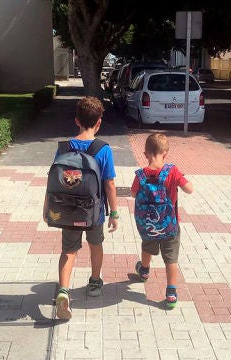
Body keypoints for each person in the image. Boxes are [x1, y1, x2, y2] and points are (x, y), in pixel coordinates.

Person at [54, 97, 119, 320]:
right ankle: (94, 283)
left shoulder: (63, 147)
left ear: (76, 120)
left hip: (68, 210)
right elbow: (109, 183)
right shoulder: (103, 149)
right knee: (95, 244)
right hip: (94, 212)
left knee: (69, 250)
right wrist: (115, 213)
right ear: (99, 122)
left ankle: (63, 290)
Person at [131, 133, 193, 309]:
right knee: (171, 259)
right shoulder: (172, 171)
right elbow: (190, 189)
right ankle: (171, 293)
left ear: (145, 154)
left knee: (147, 246)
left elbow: (133, 193)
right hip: (170, 225)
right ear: (165, 154)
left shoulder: (141, 175)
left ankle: (144, 270)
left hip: (149, 224)